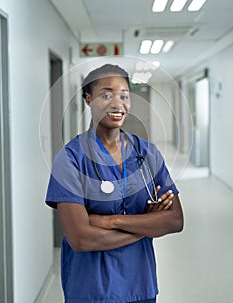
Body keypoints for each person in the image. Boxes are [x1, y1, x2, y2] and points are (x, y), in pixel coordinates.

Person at [45, 64, 184, 303]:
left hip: (141, 285)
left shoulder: (147, 153)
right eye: (106, 94)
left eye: (124, 95)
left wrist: (109, 221)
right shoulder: (70, 159)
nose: (117, 103)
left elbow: (175, 220)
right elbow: (81, 239)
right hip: (90, 289)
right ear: (88, 99)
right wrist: (146, 226)